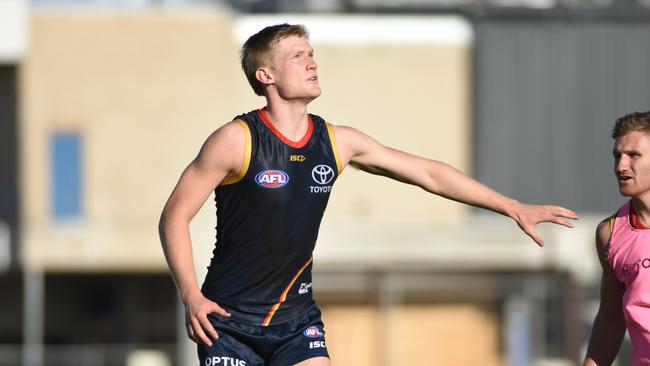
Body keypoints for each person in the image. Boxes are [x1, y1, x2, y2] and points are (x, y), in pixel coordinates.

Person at [159, 23, 578, 366]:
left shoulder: (337, 142)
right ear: (265, 75)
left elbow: (428, 173)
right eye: (297, 56)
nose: (312, 63)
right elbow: (174, 216)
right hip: (228, 320)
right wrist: (191, 295)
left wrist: (511, 206)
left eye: (311, 54)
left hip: (296, 319)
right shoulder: (236, 140)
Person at [583, 111, 650, 366]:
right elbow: (611, 317)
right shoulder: (609, 233)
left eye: (633, 155)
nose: (620, 166)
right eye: (617, 156)